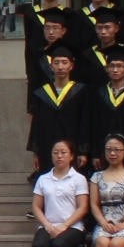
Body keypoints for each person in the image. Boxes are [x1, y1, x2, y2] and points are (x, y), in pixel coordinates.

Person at [31, 140, 89, 247]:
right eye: (55, 152)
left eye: (63, 152)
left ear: (71, 156)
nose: (59, 156)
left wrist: (65, 225)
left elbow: (83, 207)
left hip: (73, 226)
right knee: (39, 246)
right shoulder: (43, 179)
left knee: (59, 245)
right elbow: (36, 206)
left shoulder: (78, 179)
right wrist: (47, 225)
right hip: (49, 225)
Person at [27, 44, 89, 178]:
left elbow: (85, 122)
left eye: (64, 62)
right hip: (47, 148)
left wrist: (82, 151)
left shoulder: (81, 92)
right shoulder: (42, 93)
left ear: (71, 66)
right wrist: (36, 152)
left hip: (73, 146)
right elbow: (37, 124)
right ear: (51, 67)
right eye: (56, 63)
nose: (60, 67)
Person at [87, 45, 124, 169]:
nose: (115, 70)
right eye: (112, 66)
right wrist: (95, 153)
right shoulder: (100, 93)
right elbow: (94, 125)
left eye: (119, 66)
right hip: (105, 150)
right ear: (106, 69)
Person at [20, 0, 72, 92]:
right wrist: (29, 73)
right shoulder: (31, 14)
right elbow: (28, 44)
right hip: (37, 67)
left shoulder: (68, 14)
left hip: (61, 68)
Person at [25, 7, 73, 111]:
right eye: (47, 28)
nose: (51, 32)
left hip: (70, 104)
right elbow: (34, 82)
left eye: (55, 28)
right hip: (44, 105)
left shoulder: (73, 54)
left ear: (63, 31)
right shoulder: (38, 55)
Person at [78, 7, 124, 89]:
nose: (103, 32)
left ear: (116, 28)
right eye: (99, 28)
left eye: (107, 27)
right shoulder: (88, 55)